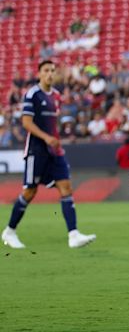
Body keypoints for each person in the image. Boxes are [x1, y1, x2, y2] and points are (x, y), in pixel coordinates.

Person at [1, 60, 96, 249]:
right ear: (39, 74)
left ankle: (73, 234)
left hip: (55, 150)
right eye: (46, 70)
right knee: (30, 192)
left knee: (66, 187)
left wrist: (55, 140)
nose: (50, 74)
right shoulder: (33, 94)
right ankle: (10, 231)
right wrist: (46, 138)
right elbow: (27, 123)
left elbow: (52, 125)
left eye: (53, 70)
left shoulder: (57, 96)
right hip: (36, 151)